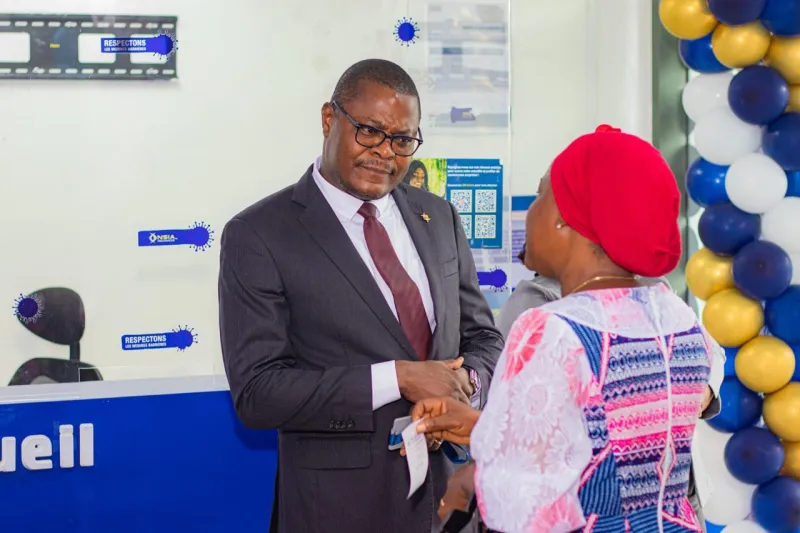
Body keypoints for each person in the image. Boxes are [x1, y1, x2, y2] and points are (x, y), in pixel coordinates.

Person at [217, 58, 503, 533]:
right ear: (329, 119)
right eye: (369, 131)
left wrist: (463, 383)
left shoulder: (440, 218)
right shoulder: (259, 234)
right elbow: (258, 393)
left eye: (402, 140)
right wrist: (399, 378)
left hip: (448, 504)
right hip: (337, 509)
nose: (384, 153)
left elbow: (484, 338)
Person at [410, 125, 725, 533]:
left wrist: (472, 481)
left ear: (565, 220)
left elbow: (517, 504)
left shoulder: (552, 328)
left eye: (541, 196)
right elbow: (609, 441)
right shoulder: (675, 316)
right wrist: (484, 429)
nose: (530, 212)